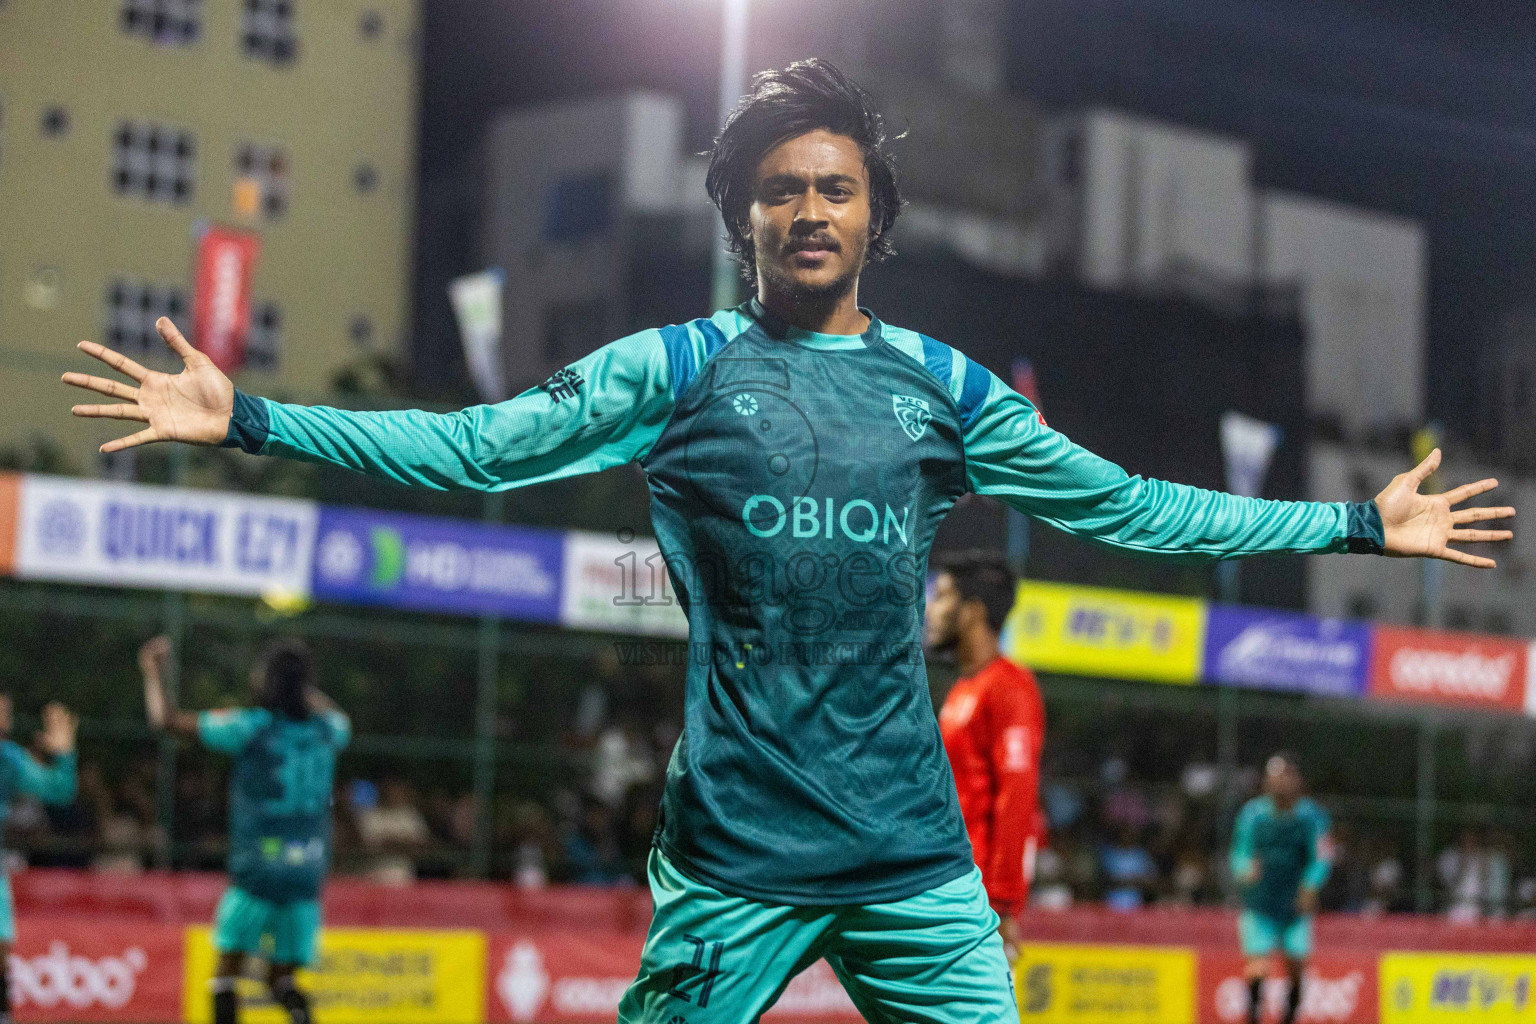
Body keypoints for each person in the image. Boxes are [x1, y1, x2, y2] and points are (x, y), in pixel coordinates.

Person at [68, 58, 1513, 1021]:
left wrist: (1356, 520)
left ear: (873, 214)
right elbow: (470, 447)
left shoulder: (944, 390)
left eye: (835, 186)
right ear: (741, 216)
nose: (808, 208)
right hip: (733, 859)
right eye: (780, 189)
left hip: (914, 866)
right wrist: (251, 418)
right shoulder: (675, 369)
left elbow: (1132, 507)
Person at [138, 636, 350, 1024]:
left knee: (225, 976)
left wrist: (152, 672)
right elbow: (339, 716)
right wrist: (300, 688)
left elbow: (165, 721)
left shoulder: (249, 727)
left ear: (267, 680)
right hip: (307, 869)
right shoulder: (329, 731)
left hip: (258, 868)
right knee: (281, 979)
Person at [926, 551, 1044, 961]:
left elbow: (1017, 798)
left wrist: (1003, 905)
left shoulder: (1010, 686)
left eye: (941, 596)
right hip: (947, 887)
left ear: (972, 612)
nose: (930, 609)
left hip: (978, 904)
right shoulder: (964, 689)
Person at [1231, 753, 1332, 1024]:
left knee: (1297, 968)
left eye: (1287, 776)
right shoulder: (1252, 815)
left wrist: (1310, 885)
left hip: (1294, 907)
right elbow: (1239, 854)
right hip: (1260, 905)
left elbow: (1322, 858)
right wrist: (1244, 870)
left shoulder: (1312, 817)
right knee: (1258, 970)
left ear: (1297, 780)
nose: (1281, 783)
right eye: (1275, 777)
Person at [0, 696, 78, 1023]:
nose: (5, 709)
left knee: (1, 955)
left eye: (6, 706)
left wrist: (63, 754)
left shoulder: (9, 759)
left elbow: (59, 790)